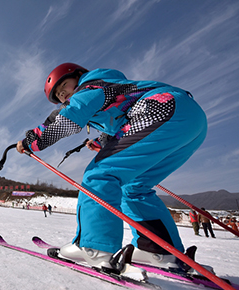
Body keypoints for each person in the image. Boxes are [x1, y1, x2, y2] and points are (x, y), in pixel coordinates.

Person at [16, 63, 207, 273]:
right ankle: (159, 249)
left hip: (161, 109)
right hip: (190, 120)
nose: (64, 97)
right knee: (135, 187)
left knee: (99, 174)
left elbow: (69, 118)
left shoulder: (89, 87)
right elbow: (124, 121)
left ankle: (94, 247)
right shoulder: (113, 87)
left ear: (79, 76)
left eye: (64, 88)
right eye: (60, 96)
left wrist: (32, 140)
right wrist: (101, 141)